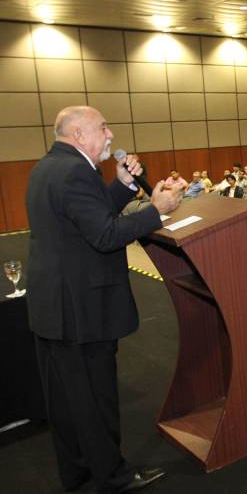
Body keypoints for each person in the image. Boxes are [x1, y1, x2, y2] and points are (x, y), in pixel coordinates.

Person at [26, 106, 182, 493]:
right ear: (79, 134)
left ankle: (78, 476)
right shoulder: (76, 171)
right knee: (96, 401)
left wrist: (124, 185)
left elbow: (87, 218)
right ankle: (114, 478)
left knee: (67, 404)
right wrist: (156, 211)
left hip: (55, 307)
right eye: (103, 127)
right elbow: (106, 235)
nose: (111, 135)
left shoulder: (49, 167)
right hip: (82, 310)